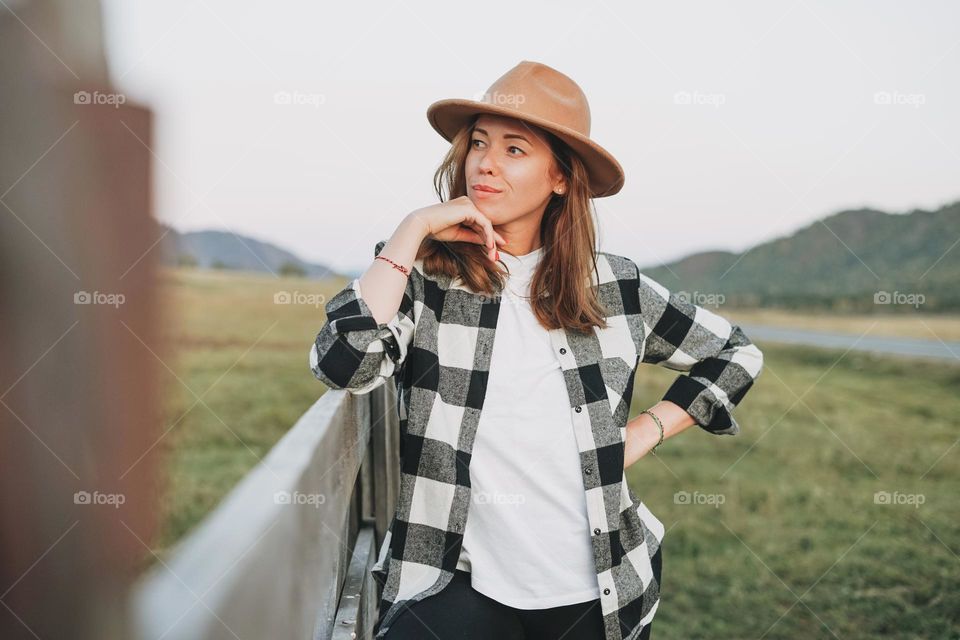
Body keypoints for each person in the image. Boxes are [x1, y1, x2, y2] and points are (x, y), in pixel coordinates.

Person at [310, 60, 765, 640]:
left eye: (515, 149)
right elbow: (342, 364)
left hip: (596, 594)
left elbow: (735, 353)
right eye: (478, 144)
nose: (485, 163)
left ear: (560, 179)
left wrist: (647, 429)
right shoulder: (422, 279)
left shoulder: (616, 287)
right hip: (454, 585)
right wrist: (412, 230)